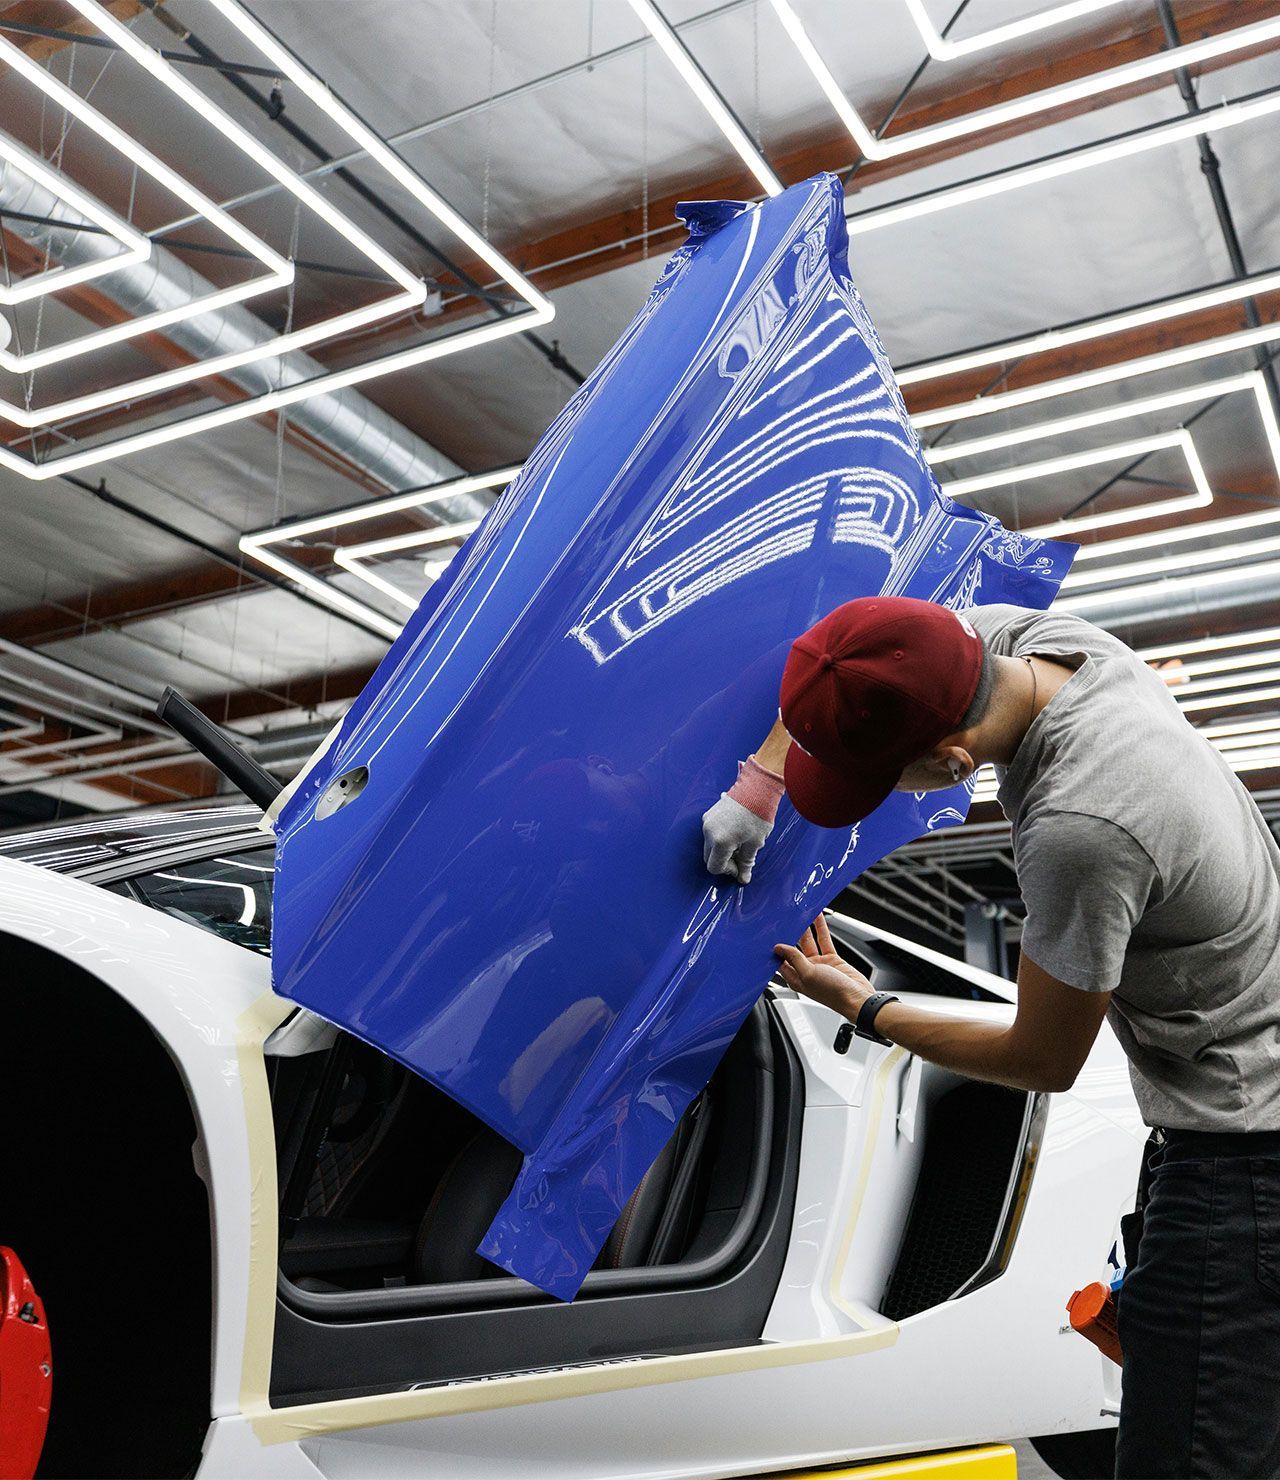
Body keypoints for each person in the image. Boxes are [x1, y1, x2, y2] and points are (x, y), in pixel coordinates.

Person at [702, 595, 1280, 1479]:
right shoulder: (1050, 647)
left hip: (1245, 1163)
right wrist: (762, 782)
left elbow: (1043, 1059)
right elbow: (855, 650)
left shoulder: (1082, 829)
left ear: (951, 760)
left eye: (884, 779)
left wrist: (863, 1007)